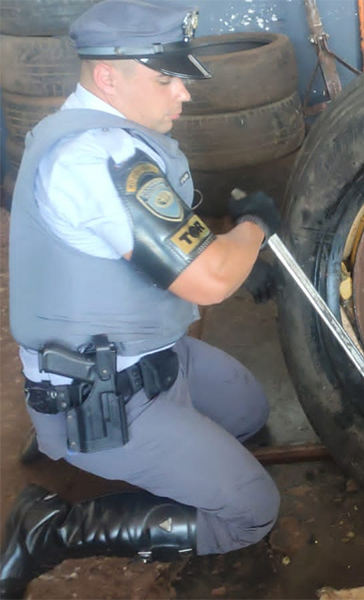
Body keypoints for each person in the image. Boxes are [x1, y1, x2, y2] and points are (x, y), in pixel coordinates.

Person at [1, 1, 286, 597]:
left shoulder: (94, 131)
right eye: (166, 78)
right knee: (251, 511)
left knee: (250, 413)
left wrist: (230, 251)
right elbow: (207, 280)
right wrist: (252, 233)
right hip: (103, 392)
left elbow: (153, 239)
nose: (182, 94)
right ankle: (54, 528)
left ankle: (85, 443)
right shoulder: (96, 157)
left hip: (144, 355)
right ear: (108, 76)